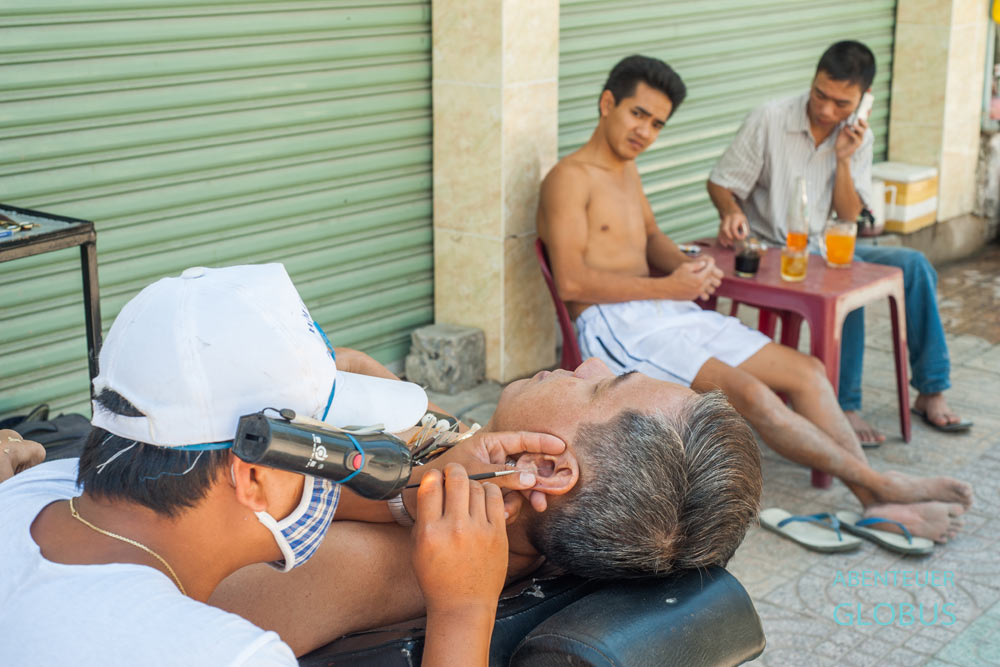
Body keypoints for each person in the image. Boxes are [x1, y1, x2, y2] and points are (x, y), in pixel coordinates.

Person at [0, 263, 561, 666]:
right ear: (254, 476)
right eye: (332, 453)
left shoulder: (37, 489)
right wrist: (463, 611)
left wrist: (412, 488)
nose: (337, 473)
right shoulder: (219, 653)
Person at [535, 54, 971, 546]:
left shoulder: (626, 170)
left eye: (657, 123)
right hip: (615, 322)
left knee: (806, 372)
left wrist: (686, 265)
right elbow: (571, 283)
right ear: (607, 103)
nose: (646, 131)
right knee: (752, 396)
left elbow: (651, 236)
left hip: (665, 310)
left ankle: (872, 497)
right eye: (638, 114)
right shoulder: (569, 178)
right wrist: (668, 287)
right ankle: (880, 489)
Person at [209, 356, 764, 655]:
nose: (589, 362)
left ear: (542, 469)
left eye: (602, 387)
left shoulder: (366, 571)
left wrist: (405, 496)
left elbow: (169, 567)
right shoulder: (511, 513)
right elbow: (368, 374)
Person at [707, 40, 971, 443]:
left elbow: (849, 216)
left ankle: (931, 390)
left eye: (841, 103)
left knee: (914, 266)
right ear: (813, 81)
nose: (827, 110)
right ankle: (844, 404)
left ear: (863, 100)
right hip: (774, 250)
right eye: (820, 95)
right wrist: (731, 211)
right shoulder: (769, 118)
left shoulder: (856, 137)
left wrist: (844, 158)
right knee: (848, 287)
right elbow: (721, 183)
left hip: (824, 245)